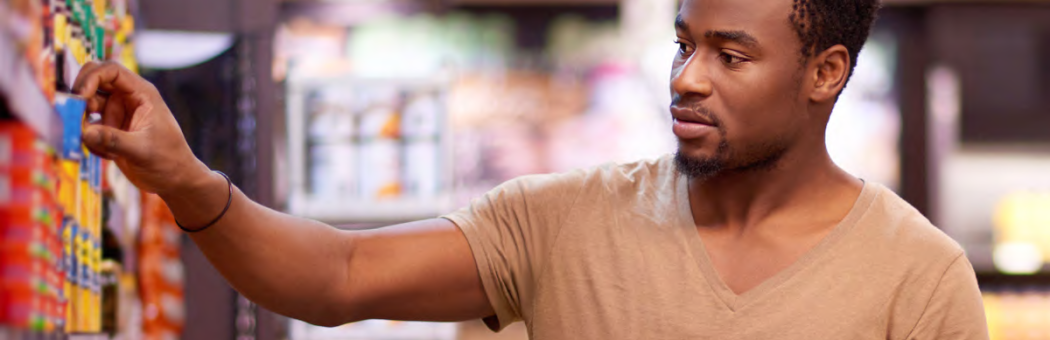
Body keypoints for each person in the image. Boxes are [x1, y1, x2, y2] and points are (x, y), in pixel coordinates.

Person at [72, 0, 990, 338]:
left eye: (731, 56)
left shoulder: (915, 279)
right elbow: (336, 277)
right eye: (682, 45)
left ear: (826, 74)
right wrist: (186, 181)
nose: (687, 79)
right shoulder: (563, 221)